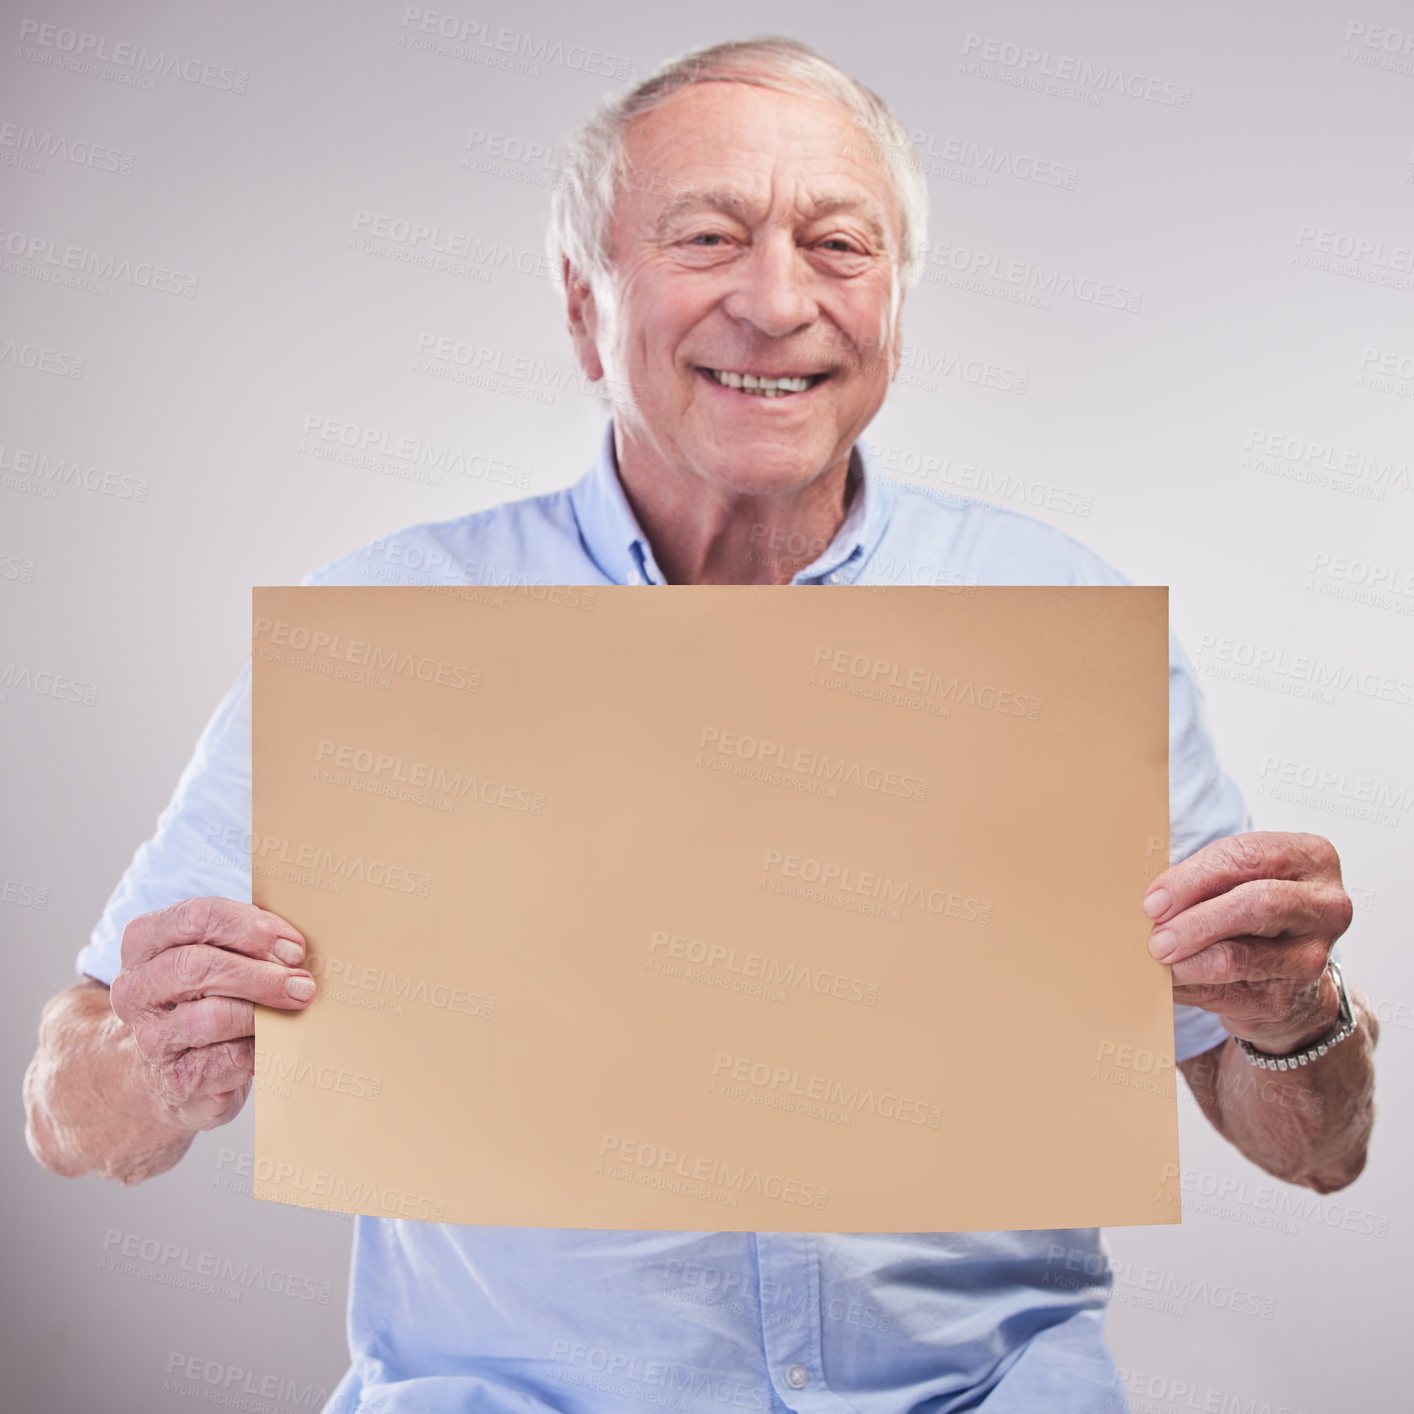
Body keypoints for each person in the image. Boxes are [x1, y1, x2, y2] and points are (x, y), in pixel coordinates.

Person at [23, 36, 1377, 1414]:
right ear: (579, 304)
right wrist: (156, 1052)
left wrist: (1290, 1014)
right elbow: (67, 1117)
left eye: (839, 246)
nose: (777, 301)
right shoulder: (381, 629)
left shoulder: (1063, 626)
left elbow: (1317, 1153)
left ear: (896, 307)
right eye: (707, 237)